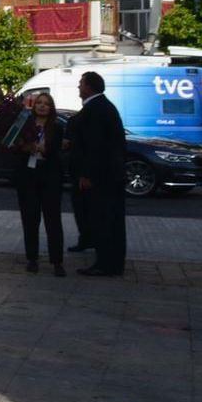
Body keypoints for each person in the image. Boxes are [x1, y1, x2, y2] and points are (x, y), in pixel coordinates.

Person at [68, 71, 127, 277]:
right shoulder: (102, 107)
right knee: (108, 220)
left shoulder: (96, 109)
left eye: (81, 84)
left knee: (104, 220)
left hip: (103, 177)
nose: (78, 87)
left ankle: (107, 263)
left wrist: (87, 174)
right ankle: (110, 261)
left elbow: (95, 146)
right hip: (109, 175)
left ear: (89, 87)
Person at [12, 91, 67, 277]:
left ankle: (57, 261)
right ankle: (32, 259)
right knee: (30, 219)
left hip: (50, 176)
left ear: (51, 107)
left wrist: (44, 149)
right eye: (39, 103)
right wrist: (24, 146)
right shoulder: (25, 125)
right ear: (34, 106)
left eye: (46, 103)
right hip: (28, 177)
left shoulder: (57, 127)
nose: (42, 106)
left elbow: (57, 151)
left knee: (52, 220)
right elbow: (13, 146)